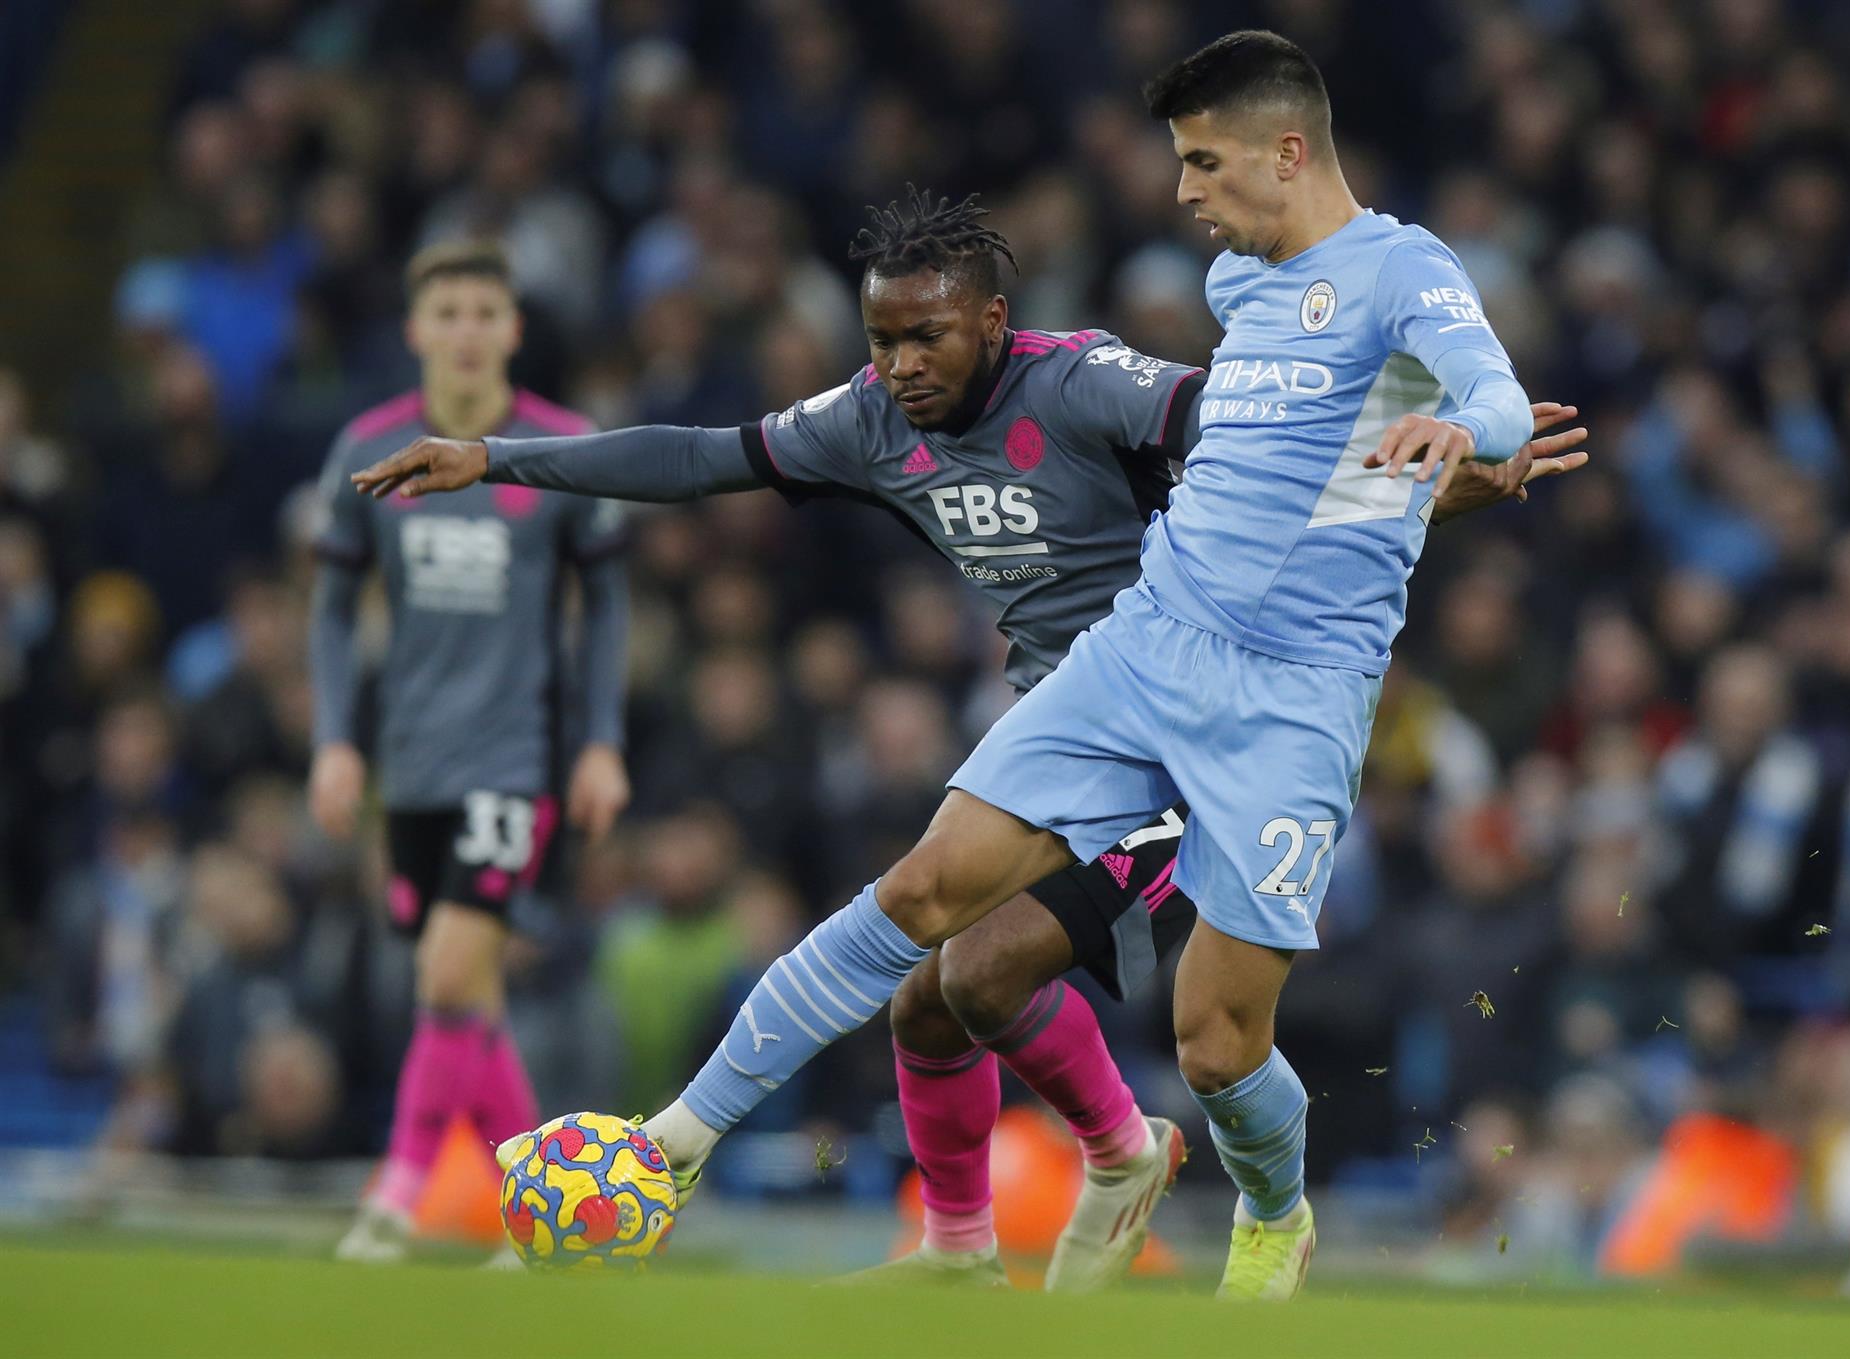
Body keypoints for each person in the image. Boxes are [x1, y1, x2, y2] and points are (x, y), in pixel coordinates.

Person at [357, 170, 1577, 1288]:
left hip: (1191, 733)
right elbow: (699, 458)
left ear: (992, 323)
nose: (899, 364)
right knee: (924, 999)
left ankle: (1122, 1154)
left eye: (926, 336)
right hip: (1067, 722)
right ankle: (961, 1247)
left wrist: (1433, 484)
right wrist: (500, 456)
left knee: (988, 970)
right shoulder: (870, 420)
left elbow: (1271, 457)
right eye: (881, 338)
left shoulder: (1088, 382)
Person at [309, 241, 632, 1263]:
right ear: (415, 330)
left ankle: (395, 1199)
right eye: (446, 311)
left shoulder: (558, 446)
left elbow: (608, 602)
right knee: (469, 999)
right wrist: (334, 743)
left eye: (484, 311)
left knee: (449, 980)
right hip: (410, 763)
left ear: (513, 329)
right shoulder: (365, 443)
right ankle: (547, 1216)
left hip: (515, 758)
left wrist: (602, 746)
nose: (465, 331)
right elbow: (329, 605)